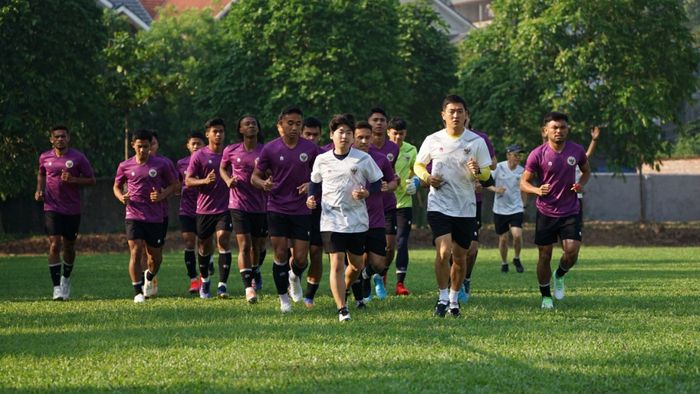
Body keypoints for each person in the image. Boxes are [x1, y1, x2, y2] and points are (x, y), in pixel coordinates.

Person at [414, 95, 492, 318]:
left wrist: (478, 171)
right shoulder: (432, 139)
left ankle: (454, 300)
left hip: (465, 207)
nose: (456, 115)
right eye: (452, 111)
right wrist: (428, 178)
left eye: (460, 111)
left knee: (460, 256)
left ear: (466, 115)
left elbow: (486, 173)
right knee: (443, 250)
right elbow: (418, 165)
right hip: (439, 204)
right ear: (443, 115)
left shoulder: (476, 142)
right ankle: (441, 296)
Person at [307, 115, 383, 321]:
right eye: (340, 132)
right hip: (331, 220)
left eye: (348, 133)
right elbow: (314, 183)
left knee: (357, 265)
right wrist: (310, 198)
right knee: (337, 263)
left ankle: (346, 288)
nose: (345, 136)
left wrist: (366, 192)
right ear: (332, 135)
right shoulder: (322, 159)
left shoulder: (363, 159)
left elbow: (377, 182)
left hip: (357, 220)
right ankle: (342, 309)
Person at [251, 106, 319, 313]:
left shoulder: (310, 149)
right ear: (280, 125)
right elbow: (254, 176)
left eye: (298, 124)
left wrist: (311, 185)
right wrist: (263, 184)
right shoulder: (270, 149)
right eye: (290, 123)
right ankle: (283, 299)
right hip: (277, 207)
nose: (294, 127)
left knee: (300, 258)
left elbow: (321, 175)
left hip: (302, 209)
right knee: (280, 253)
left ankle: (293, 276)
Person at [520, 111, 591, 309]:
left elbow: (587, 171)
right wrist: (536, 190)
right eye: (554, 127)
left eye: (562, 127)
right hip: (546, 211)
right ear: (546, 130)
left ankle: (559, 274)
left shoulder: (576, 151)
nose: (559, 131)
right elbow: (523, 182)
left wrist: (580, 184)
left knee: (572, 251)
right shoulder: (537, 154)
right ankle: (546, 296)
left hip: (570, 210)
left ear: (568, 130)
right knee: (544, 255)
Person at [113, 129, 179, 303]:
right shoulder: (124, 165)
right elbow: (116, 186)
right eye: (140, 146)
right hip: (133, 214)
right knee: (135, 252)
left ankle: (149, 276)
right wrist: (122, 197)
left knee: (154, 258)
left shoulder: (161, 164)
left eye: (146, 147)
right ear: (133, 145)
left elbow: (175, 185)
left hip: (155, 217)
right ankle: (137, 292)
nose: (143, 150)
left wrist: (161, 195)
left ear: (151, 146)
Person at [35, 125, 96, 300]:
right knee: (54, 244)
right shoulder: (45, 157)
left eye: (63, 136)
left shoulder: (78, 158)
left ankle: (66, 279)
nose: (60, 139)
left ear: (68, 138)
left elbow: (92, 180)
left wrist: (74, 179)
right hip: (51, 207)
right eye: (57, 136)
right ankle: (56, 288)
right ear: (51, 139)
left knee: (69, 246)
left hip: (72, 209)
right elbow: (41, 173)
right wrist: (39, 190)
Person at [219, 115, 267, 303]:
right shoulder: (231, 150)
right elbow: (222, 168)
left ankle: (255, 270)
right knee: (244, 245)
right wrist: (228, 180)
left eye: (254, 123)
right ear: (240, 129)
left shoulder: (265, 151)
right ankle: (248, 288)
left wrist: (267, 180)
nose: (251, 126)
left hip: (260, 205)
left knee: (258, 246)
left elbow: (272, 171)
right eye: (247, 124)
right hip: (238, 204)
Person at [185, 118, 234, 299]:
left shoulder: (230, 153)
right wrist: (204, 181)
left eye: (221, 131)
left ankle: (222, 285)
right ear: (208, 134)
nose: (219, 134)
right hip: (204, 209)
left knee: (223, 240)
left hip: (226, 207)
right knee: (204, 247)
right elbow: (188, 180)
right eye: (215, 131)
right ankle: (205, 281)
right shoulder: (199, 155)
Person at [352, 121, 397, 308]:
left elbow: (393, 181)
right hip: (352, 218)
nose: (364, 141)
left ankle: (365, 276)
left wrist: (388, 186)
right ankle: (357, 297)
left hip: (376, 218)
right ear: (353, 138)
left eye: (367, 137)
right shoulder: (346, 159)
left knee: (379, 263)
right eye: (360, 137)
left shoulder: (380, 159)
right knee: (356, 260)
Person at [367, 107, 399, 299]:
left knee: (390, 248)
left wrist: (394, 183)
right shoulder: (361, 147)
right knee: (364, 250)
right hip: (367, 206)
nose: (379, 123)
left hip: (387, 205)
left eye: (382, 120)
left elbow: (391, 175)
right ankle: (365, 283)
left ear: (387, 124)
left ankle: (379, 276)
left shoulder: (393, 148)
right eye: (375, 120)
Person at [386, 117, 418, 295]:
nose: (398, 137)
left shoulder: (411, 150)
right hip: (384, 203)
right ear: (388, 132)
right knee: (387, 245)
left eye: (401, 134)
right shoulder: (381, 149)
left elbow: (417, 170)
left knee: (402, 241)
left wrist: (415, 183)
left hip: (404, 202)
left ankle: (400, 283)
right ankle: (381, 275)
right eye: (395, 133)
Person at [176, 131, 209, 294]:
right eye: (193, 143)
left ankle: (205, 275)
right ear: (188, 146)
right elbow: (176, 183)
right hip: (187, 209)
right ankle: (193, 279)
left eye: (199, 143)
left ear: (205, 145)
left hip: (207, 208)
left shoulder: (209, 161)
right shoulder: (181, 163)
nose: (196, 146)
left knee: (205, 244)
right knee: (189, 242)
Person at [489, 144, 527, 273]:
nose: (518, 158)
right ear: (508, 155)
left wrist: (524, 205)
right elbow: (486, 183)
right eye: (515, 155)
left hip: (516, 208)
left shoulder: (522, 171)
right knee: (503, 238)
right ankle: (504, 262)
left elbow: (524, 189)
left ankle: (516, 258)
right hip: (500, 209)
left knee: (517, 235)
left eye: (519, 155)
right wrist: (496, 189)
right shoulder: (498, 167)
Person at [300, 116, 325, 309]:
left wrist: (314, 185)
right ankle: (293, 278)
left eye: (315, 135)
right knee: (298, 257)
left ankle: (309, 295)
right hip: (293, 210)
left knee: (316, 252)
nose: (311, 138)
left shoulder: (326, 155)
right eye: (307, 134)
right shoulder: (289, 151)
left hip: (318, 209)